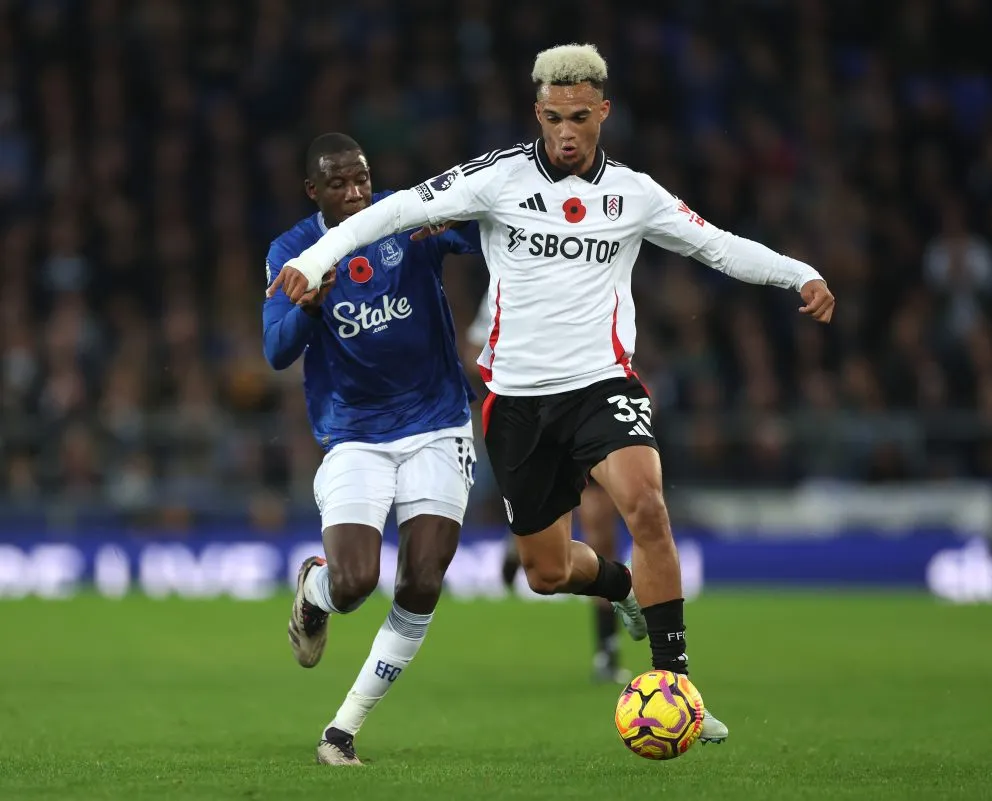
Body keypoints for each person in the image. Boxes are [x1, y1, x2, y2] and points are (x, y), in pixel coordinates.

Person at [269, 45, 837, 745]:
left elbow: (715, 245)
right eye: (555, 118)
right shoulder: (497, 178)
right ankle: (620, 586)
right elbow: (398, 211)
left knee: (645, 504)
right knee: (546, 569)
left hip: (602, 384)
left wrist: (799, 273)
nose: (567, 132)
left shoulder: (634, 193)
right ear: (538, 113)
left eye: (580, 117)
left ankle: (676, 686)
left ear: (604, 113)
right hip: (517, 403)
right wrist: (314, 259)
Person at [263, 133, 482, 766]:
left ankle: (342, 730)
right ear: (314, 191)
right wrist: (309, 308)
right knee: (356, 581)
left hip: (438, 422)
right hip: (354, 433)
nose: (356, 192)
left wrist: (461, 217)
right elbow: (276, 349)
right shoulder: (292, 250)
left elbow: (482, 233)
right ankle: (316, 591)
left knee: (422, 578)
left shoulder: (405, 217)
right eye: (339, 184)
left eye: (361, 178)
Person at [467, 296, 631, 684]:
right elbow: (474, 347)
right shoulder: (510, 284)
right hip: (530, 419)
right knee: (547, 556)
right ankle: (523, 536)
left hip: (586, 407)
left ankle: (607, 648)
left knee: (599, 524)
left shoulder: (593, 276)